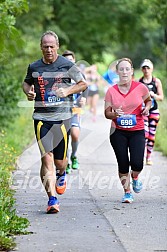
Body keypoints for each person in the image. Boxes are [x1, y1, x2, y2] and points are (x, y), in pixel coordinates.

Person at [22, 31, 87, 214]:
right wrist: (28, 92)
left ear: (57, 46)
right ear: (41, 47)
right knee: (46, 157)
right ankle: (52, 199)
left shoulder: (67, 65)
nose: (49, 49)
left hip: (62, 119)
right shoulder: (34, 66)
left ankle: (61, 173)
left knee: (60, 162)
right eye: (45, 46)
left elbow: (83, 84)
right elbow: (26, 83)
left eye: (52, 46)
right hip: (42, 119)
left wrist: (67, 92)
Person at [104, 58, 152, 203]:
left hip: (137, 130)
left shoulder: (141, 88)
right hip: (118, 132)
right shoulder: (111, 91)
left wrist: (147, 109)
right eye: (121, 69)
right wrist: (114, 114)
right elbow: (107, 113)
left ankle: (135, 177)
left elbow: (148, 101)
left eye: (127, 69)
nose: (124, 72)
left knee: (138, 164)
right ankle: (127, 192)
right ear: (117, 72)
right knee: (123, 163)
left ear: (131, 71)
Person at [62, 50, 88, 174]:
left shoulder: (79, 74)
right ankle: (65, 161)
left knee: (75, 134)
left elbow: (85, 87)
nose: (69, 62)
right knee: (64, 136)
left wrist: (84, 98)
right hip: (62, 110)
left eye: (71, 60)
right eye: (66, 60)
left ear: (74, 61)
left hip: (75, 108)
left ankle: (74, 156)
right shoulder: (59, 75)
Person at [139, 59, 164, 165]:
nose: (146, 70)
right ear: (141, 69)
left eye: (148, 67)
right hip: (143, 112)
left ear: (151, 69)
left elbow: (161, 97)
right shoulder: (139, 82)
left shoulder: (156, 81)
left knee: (151, 135)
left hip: (154, 111)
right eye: (144, 68)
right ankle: (141, 156)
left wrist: (153, 95)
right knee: (144, 134)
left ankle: (149, 157)